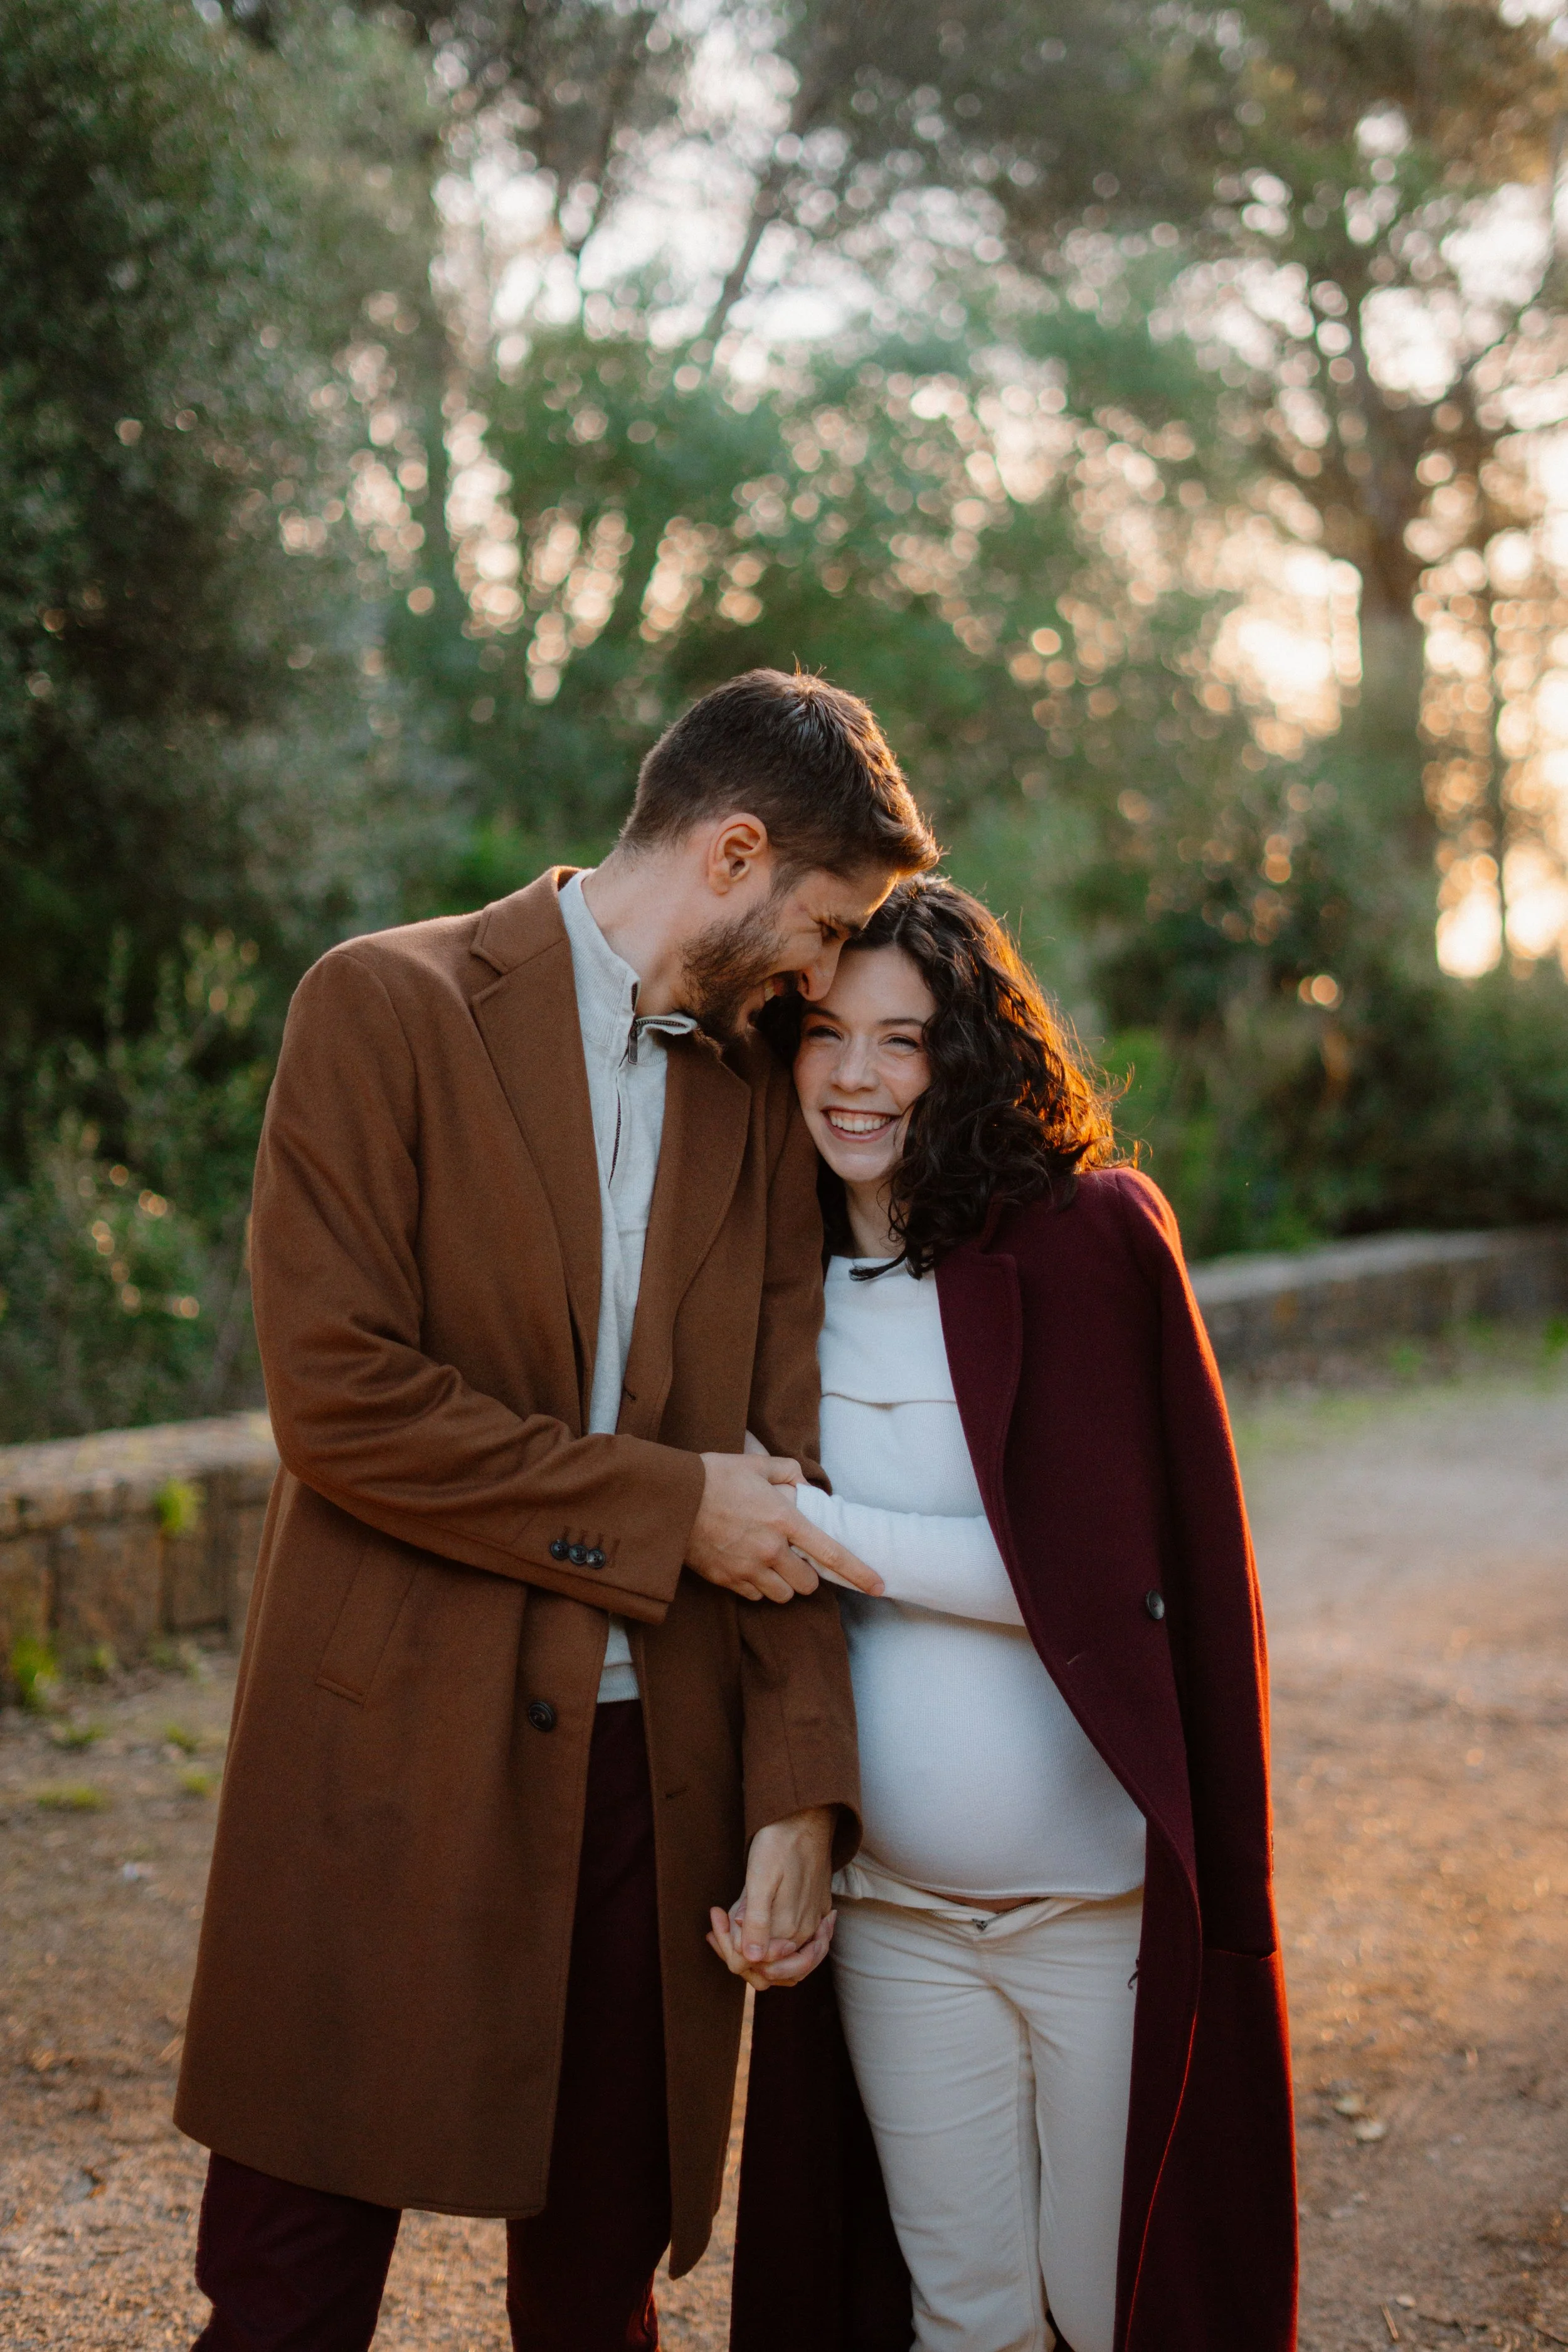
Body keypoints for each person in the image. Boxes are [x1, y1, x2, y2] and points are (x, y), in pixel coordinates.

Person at [173, 669, 938, 2352]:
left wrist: (799, 1794)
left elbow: (782, 1470)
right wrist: (664, 1508)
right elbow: (344, 1403)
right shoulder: (378, 1004)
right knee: (285, 2296)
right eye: (821, 926)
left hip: (642, 1788)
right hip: (378, 1751)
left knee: (597, 2298)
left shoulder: (755, 1102)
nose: (822, 980)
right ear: (733, 851)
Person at [726, 876, 1298, 2352]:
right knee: (965, 2315)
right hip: (897, 1921)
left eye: (901, 1041)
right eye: (826, 1035)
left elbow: (1097, 1587)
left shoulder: (1086, 1245)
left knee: (1114, 2310)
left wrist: (807, 1523)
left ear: (965, 1053)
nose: (856, 1078)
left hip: (1095, 1920)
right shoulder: (768, 1289)